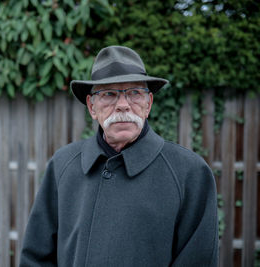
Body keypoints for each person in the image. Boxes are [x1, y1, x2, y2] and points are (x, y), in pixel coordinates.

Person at [19, 46, 219, 266]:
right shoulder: (63, 165)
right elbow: (36, 259)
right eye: (109, 94)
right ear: (92, 107)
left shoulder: (189, 174)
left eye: (134, 93)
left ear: (148, 104)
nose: (123, 105)